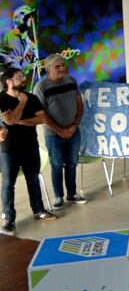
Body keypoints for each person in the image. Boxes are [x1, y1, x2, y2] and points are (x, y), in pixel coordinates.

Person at [0, 67, 58, 234]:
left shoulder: (32, 98)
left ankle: (38, 210)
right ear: (8, 81)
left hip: (30, 146)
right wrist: (22, 104)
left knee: (32, 179)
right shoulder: (2, 99)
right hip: (9, 149)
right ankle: (9, 218)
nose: (23, 78)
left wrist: (20, 121)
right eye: (19, 77)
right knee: (8, 184)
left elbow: (41, 118)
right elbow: (9, 120)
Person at [34, 54, 85, 209]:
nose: (62, 68)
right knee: (56, 165)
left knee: (72, 163)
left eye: (63, 65)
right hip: (53, 135)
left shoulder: (71, 81)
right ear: (48, 69)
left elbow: (80, 105)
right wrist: (60, 131)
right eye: (57, 66)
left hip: (73, 131)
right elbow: (42, 115)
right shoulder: (41, 87)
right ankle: (58, 197)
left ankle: (72, 193)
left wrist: (74, 126)